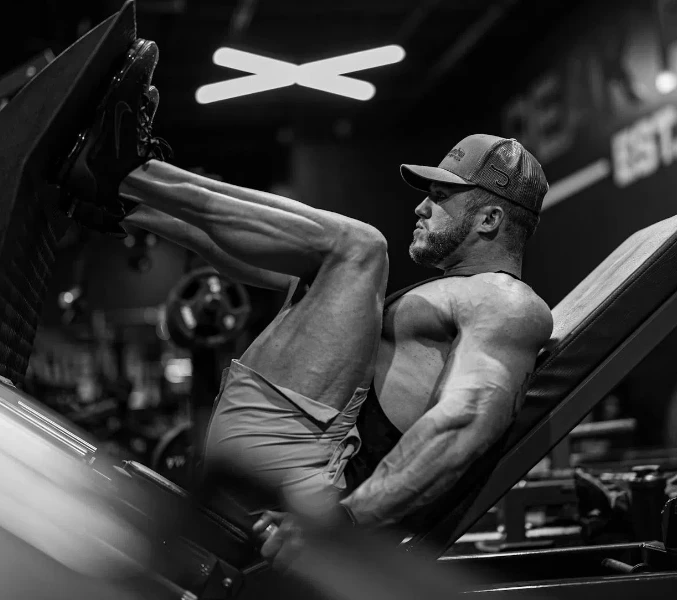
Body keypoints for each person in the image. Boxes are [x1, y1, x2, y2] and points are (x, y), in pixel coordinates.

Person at [59, 38, 553, 565]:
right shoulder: (448, 294)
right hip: (285, 449)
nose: (421, 208)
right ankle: (121, 204)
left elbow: (465, 418)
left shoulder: (508, 304)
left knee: (360, 249)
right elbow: (271, 262)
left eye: (440, 197)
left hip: (313, 482)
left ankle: (128, 173)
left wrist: (340, 523)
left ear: (489, 220)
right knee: (316, 267)